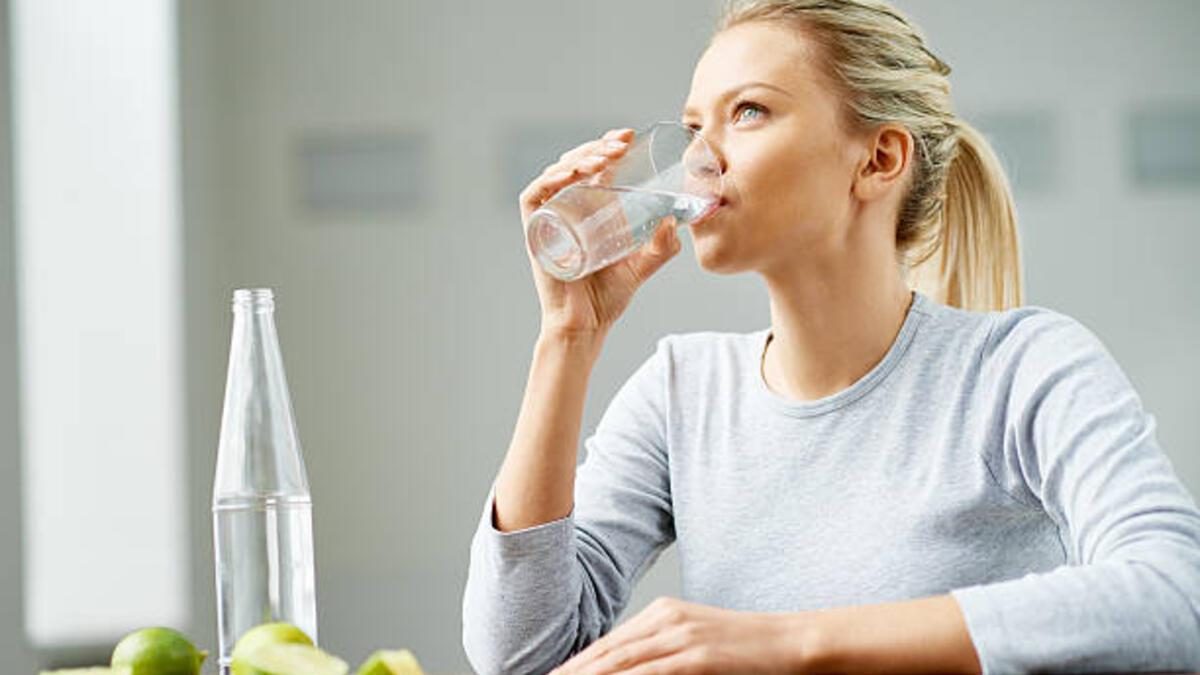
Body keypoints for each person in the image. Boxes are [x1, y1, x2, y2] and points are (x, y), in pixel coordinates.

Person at [462, 1, 1200, 672]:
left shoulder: (1019, 370)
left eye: (748, 112)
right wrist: (567, 335)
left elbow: (1176, 596)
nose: (696, 160)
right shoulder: (680, 391)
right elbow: (519, 654)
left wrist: (787, 643)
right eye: (692, 128)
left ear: (878, 160)